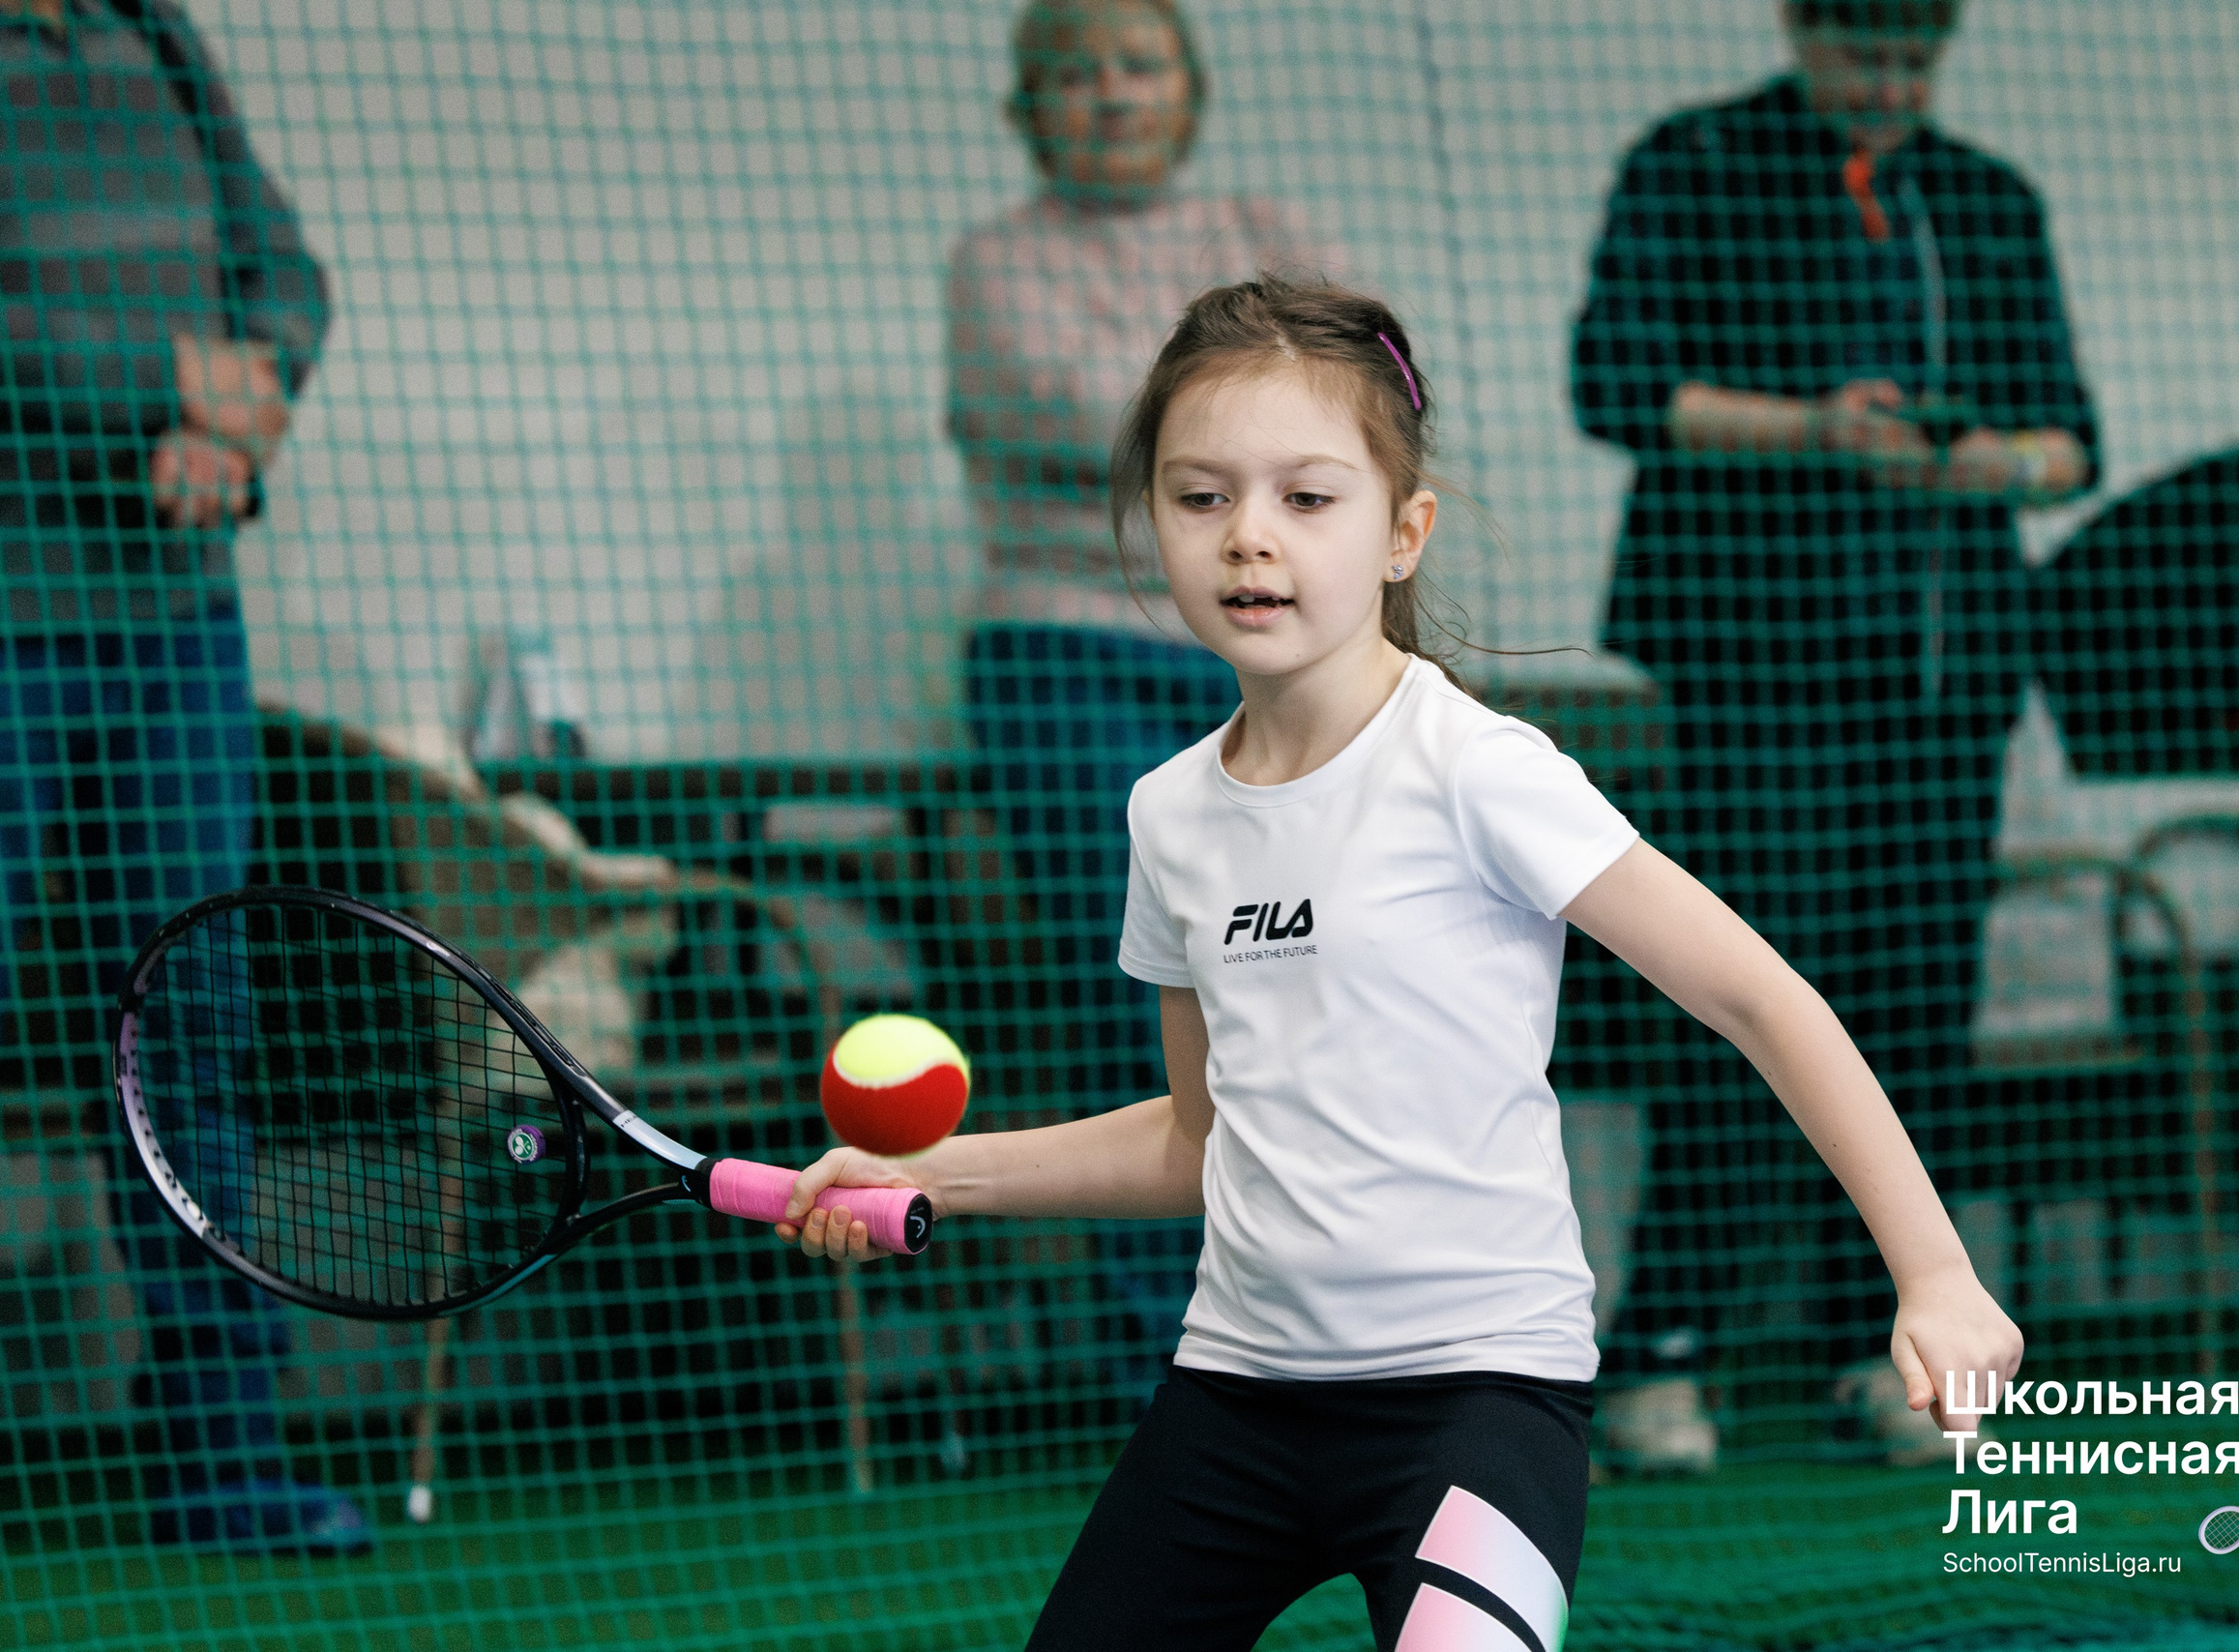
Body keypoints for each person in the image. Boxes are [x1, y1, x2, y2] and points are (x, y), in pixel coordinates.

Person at [781, 276, 2021, 1647]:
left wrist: (1936, 1274)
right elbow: (1202, 1137)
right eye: (1201, 497)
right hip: (1234, 1403)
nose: (1250, 535)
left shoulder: (1478, 770)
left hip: (1477, 1406)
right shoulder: (1169, 815)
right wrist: (933, 1172)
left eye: (1308, 497)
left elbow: (1763, 999)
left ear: (1401, 532)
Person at [1571, 0, 2099, 1466]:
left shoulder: (1984, 198)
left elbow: (2072, 442)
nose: (1891, 86)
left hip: (1946, 671)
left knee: (1916, 997)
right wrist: (1814, 429)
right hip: (1758, 665)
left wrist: (1982, 460)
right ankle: (1663, 1351)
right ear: (1804, 33)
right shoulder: (1695, 165)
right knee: (1751, 990)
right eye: (1866, 55)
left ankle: (1893, 1353)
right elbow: (1618, 386)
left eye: (1918, 62)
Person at [945, 0, 1338, 1408]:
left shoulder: (1264, 225)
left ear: (1189, 90)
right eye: (1076, 74)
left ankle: (1322, 1331)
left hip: (1262, 656)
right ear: (1028, 106)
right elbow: (1070, 411)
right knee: (1157, 987)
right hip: (1067, 659)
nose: (1111, 95)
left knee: (1307, 977)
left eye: (1138, 66)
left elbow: (1365, 393)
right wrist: (1259, 409)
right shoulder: (996, 263)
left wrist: (1226, 426)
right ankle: (1171, 1362)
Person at [0, 0, 356, 1550]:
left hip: (173, 614)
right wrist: (170, 382)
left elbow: (282, 266)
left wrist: (240, 400)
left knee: (188, 1017)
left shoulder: (150, 27)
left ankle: (223, 1456)